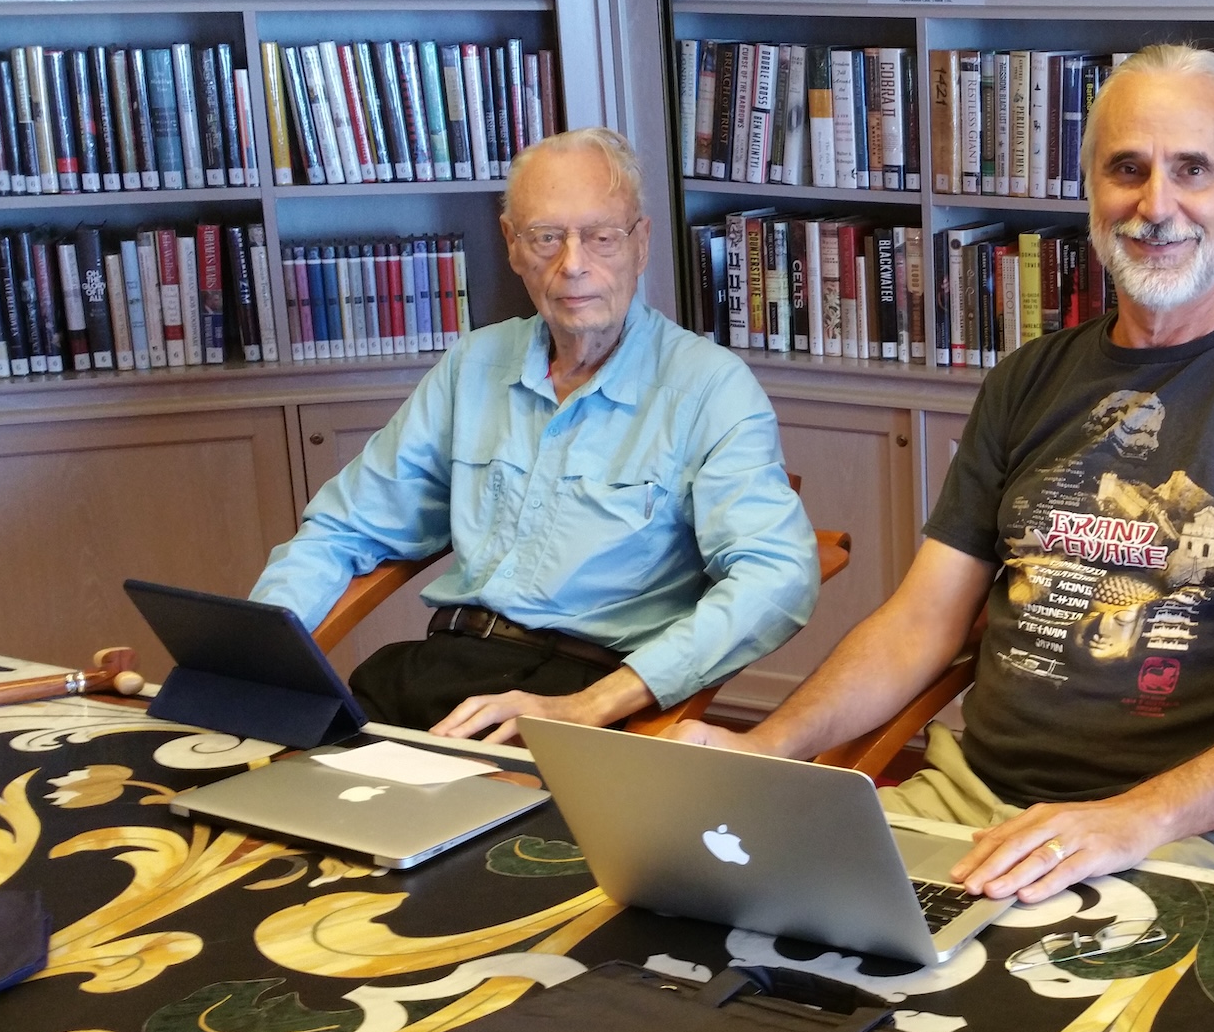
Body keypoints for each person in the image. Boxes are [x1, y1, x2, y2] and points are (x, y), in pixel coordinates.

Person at [667, 44, 1214, 903]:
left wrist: (1133, 817)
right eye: (1126, 169)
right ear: (1092, 192)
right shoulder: (1026, 382)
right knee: (736, 928)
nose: (1156, 205)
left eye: (1192, 170)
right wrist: (769, 747)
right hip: (963, 803)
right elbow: (920, 623)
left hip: (1170, 832)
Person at [252, 126, 818, 743]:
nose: (574, 264)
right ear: (513, 247)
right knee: (254, 783)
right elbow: (343, 527)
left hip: (584, 688)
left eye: (601, 237)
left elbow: (777, 576)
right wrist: (251, 658)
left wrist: (594, 704)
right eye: (547, 237)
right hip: (440, 668)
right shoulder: (474, 366)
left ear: (641, 242)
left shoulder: (709, 389)